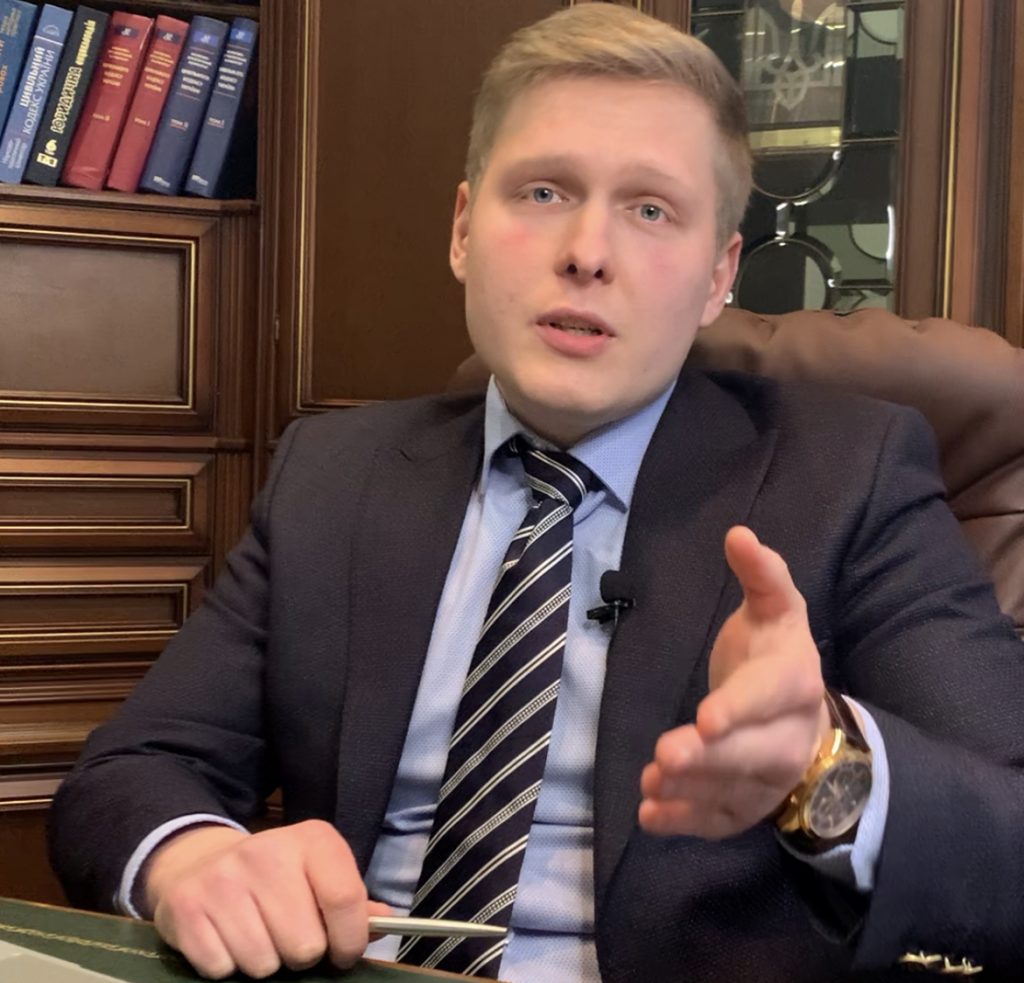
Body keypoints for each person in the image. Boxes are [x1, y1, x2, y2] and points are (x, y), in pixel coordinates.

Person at [50, 6, 1024, 982]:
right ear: (463, 229)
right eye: (545, 190)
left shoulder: (848, 475)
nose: (586, 251)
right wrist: (195, 860)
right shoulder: (333, 474)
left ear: (718, 275)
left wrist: (821, 763)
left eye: (651, 210)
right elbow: (131, 770)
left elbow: (1009, 840)